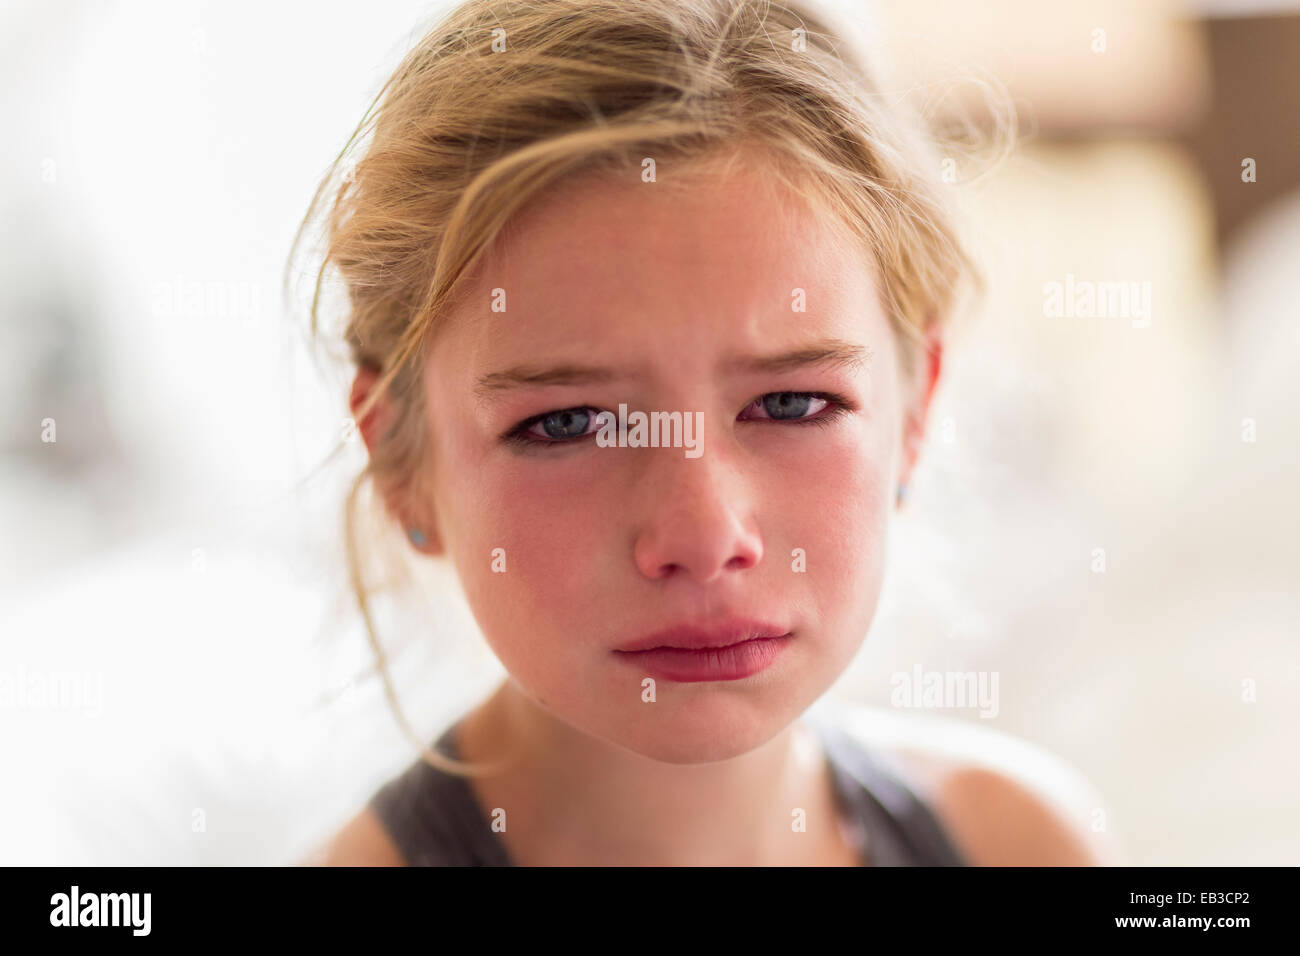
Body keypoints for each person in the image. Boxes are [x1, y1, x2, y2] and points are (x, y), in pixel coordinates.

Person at [292, 0, 1118, 866]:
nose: (703, 535)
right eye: (568, 424)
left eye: (792, 405)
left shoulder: (1020, 845)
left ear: (913, 416)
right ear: (400, 464)